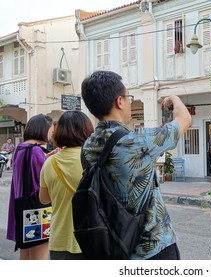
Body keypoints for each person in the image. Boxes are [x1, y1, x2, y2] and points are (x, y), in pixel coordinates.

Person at [80, 70, 191, 260]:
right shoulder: (137, 141)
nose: (130, 102)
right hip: (153, 247)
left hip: (113, 245)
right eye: (128, 97)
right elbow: (185, 119)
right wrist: (175, 98)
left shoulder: (87, 147)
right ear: (119, 101)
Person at [39, 111, 94, 260]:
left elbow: (44, 199)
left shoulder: (50, 163)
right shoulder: (96, 161)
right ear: (88, 131)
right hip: (93, 238)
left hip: (59, 239)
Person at [6, 114, 54, 260]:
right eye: (51, 130)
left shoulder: (21, 148)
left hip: (22, 210)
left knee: (26, 257)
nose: (51, 134)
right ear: (42, 129)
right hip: (37, 212)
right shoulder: (35, 151)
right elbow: (45, 179)